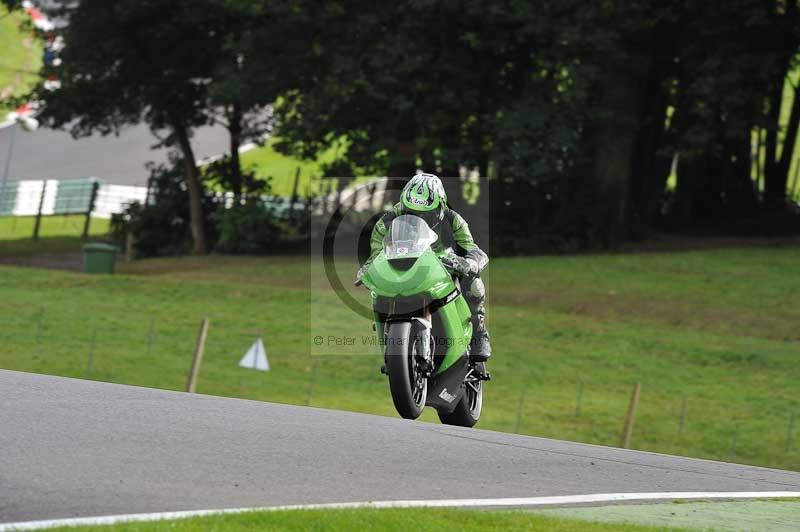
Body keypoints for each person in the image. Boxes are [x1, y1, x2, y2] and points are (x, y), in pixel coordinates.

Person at [359, 173, 491, 361]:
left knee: (474, 284)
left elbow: (473, 250)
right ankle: (389, 332)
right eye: (411, 213)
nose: (419, 217)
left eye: (426, 214)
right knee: (378, 291)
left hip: (444, 265)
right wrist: (368, 270)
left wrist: (470, 263)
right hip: (405, 264)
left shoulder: (453, 220)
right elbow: (376, 255)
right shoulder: (386, 222)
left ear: (440, 208)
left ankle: (479, 331)